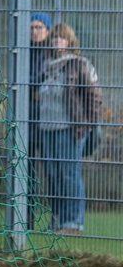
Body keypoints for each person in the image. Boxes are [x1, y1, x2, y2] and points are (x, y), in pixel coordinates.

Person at [33, 21, 103, 234]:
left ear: (70, 41)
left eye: (61, 37)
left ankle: (73, 222)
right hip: (47, 128)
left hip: (69, 129)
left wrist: (86, 123)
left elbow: (95, 97)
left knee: (69, 174)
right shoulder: (47, 66)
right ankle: (57, 222)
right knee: (53, 176)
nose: (57, 40)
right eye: (54, 37)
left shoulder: (80, 64)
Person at [27, 12, 52, 155]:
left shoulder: (52, 52)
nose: (34, 32)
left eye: (38, 27)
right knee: (27, 157)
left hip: (47, 110)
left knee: (48, 158)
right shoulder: (24, 51)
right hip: (28, 111)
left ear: (47, 30)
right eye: (32, 28)